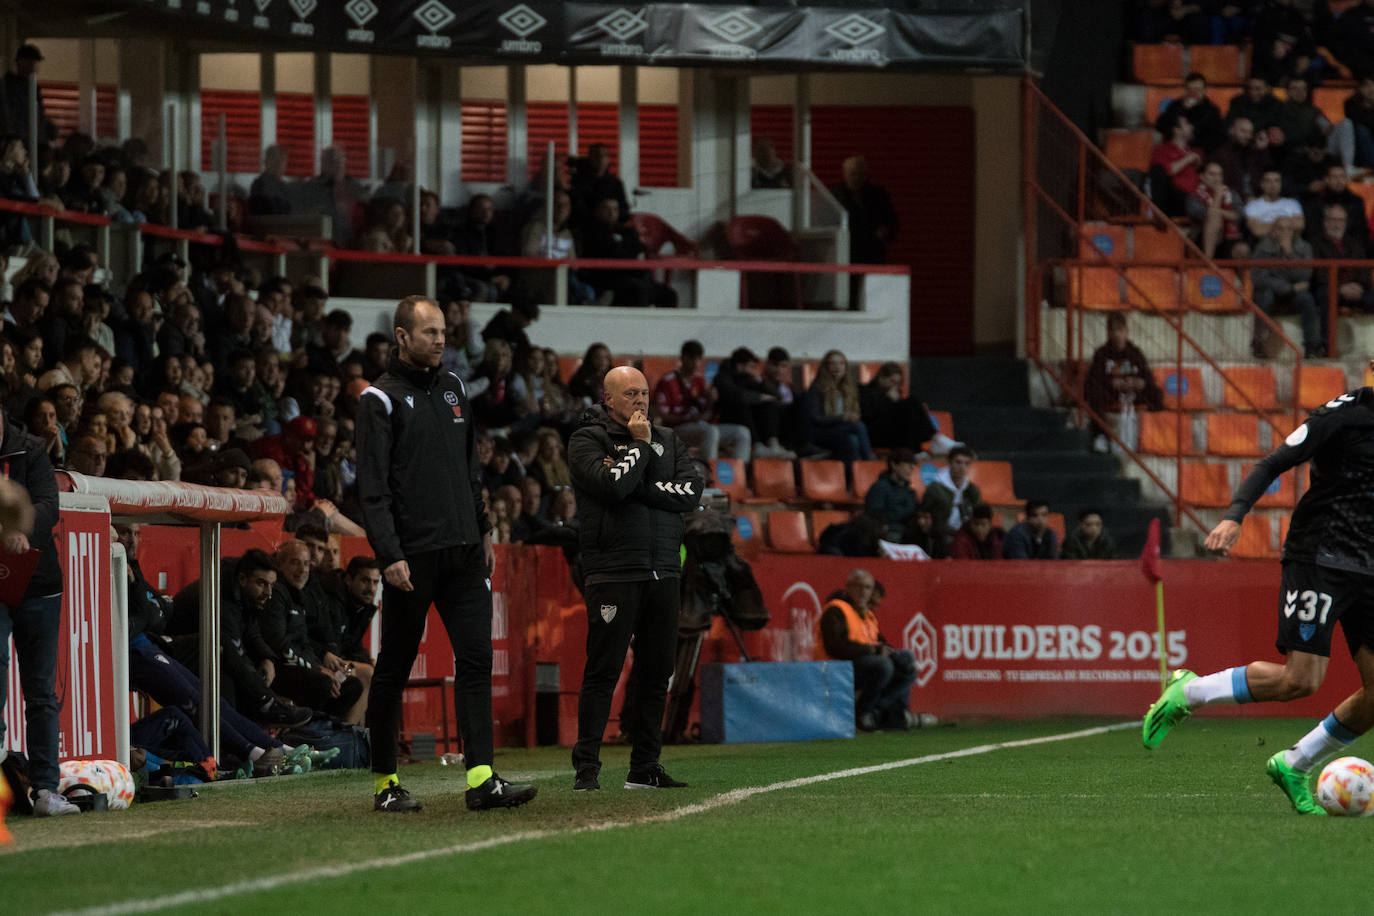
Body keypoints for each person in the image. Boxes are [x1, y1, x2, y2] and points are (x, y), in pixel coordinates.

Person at [1143, 373, 1374, 815]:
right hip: (1319, 558)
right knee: (1301, 680)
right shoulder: (1341, 416)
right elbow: (1271, 464)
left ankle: (1294, 763)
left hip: (1368, 568)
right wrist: (1234, 517)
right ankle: (1189, 692)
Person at [355, 294, 535, 813]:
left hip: (463, 555)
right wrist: (388, 554)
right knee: (394, 667)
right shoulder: (378, 400)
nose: (441, 340)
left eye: (443, 332)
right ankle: (385, 783)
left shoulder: (455, 388)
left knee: (476, 660)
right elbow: (372, 489)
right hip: (412, 559)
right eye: (430, 332)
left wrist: (484, 529)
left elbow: (470, 468)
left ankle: (481, 779)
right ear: (402, 337)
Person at [569, 365, 702, 791]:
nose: (640, 401)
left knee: (656, 672)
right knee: (603, 670)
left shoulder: (670, 439)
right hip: (614, 572)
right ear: (607, 399)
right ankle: (586, 769)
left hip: (663, 571)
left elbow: (692, 494)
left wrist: (642, 485)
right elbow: (612, 486)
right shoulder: (587, 439)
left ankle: (645, 768)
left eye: (644, 393)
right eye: (630, 394)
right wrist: (641, 448)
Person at [0, 401, 77, 815]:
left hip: (39, 582)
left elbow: (50, 506)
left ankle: (46, 789)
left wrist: (18, 526)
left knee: (41, 692)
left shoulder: (30, 450)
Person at [813, 569, 919, 731]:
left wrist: (888, 652)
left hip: (863, 664)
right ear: (848, 587)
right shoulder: (836, 609)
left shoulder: (868, 615)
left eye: (868, 588)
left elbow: (881, 643)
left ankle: (877, 712)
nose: (863, 592)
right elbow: (835, 648)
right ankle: (861, 714)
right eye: (859, 587)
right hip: (836, 669)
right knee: (883, 666)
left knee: (906, 662)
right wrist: (873, 650)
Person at [652, 339, 749, 460]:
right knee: (710, 431)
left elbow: (707, 414)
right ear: (683, 358)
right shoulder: (668, 381)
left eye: (698, 359)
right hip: (677, 429)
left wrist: (712, 400)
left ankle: (739, 475)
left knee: (742, 433)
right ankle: (710, 474)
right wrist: (686, 419)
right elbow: (662, 415)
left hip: (700, 426)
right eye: (692, 358)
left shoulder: (700, 381)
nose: (695, 363)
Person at [1084, 312, 1164, 453]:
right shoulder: (1101, 353)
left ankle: (1153, 437)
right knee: (1095, 395)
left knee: (1156, 394)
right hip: (1112, 393)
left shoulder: (1135, 353)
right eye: (1113, 330)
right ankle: (1101, 436)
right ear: (1108, 333)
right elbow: (1093, 379)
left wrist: (1140, 383)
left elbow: (1147, 378)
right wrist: (1112, 383)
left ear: (1126, 332)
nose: (1117, 335)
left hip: (1133, 393)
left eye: (1120, 330)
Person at [1251, 219, 1319, 358]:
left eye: (1288, 229)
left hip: (1292, 294)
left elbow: (1305, 274)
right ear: (1274, 231)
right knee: (1263, 296)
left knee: (1307, 299)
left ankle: (1312, 347)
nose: (1284, 233)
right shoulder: (1263, 248)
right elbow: (1260, 278)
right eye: (1280, 229)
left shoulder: (1304, 248)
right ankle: (1259, 345)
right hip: (1275, 292)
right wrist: (1290, 287)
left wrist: (1289, 255)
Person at [920, 445, 980, 550]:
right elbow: (923, 513)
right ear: (950, 463)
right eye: (958, 462)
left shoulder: (971, 489)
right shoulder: (935, 487)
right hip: (940, 536)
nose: (962, 467)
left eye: (966, 463)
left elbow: (979, 512)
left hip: (964, 534)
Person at [1156, 72, 1226, 153]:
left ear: (1204, 91)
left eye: (1198, 90)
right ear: (1185, 90)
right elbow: (1160, 126)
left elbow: (1214, 138)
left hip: (1200, 152)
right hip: (1174, 151)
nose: (1193, 94)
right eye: (1190, 90)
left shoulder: (1212, 110)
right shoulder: (1176, 105)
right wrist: (1183, 109)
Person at [1149, 114, 1202, 217]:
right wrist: (1189, 158)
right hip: (1174, 200)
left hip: (1194, 198)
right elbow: (1166, 171)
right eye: (1187, 124)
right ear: (1176, 130)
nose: (1191, 127)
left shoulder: (1196, 151)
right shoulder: (1161, 150)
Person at [863, 447, 918, 543]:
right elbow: (875, 515)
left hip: (907, 532)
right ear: (894, 465)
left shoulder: (910, 492)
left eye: (913, 464)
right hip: (888, 533)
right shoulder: (880, 487)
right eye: (907, 463)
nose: (912, 468)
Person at [248, 144, 291, 216]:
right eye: (275, 159)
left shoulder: (284, 186)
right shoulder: (260, 185)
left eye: (282, 159)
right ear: (266, 162)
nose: (279, 163)